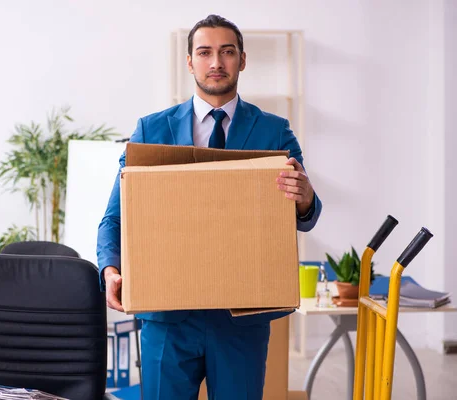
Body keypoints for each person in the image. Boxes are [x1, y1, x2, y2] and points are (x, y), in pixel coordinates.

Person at [97, 14, 322, 400]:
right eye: (205, 52)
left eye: (226, 52)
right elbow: (116, 217)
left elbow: (306, 215)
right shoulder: (152, 131)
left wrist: (303, 199)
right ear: (190, 62)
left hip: (242, 317)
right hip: (167, 315)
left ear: (242, 60)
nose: (216, 62)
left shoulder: (275, 131)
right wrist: (110, 268)